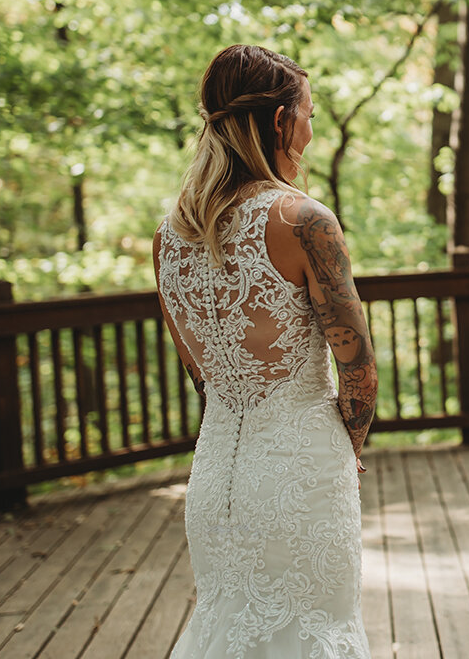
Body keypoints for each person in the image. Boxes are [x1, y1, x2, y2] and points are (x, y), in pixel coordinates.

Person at [153, 44, 377, 659]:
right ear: (280, 121)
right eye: (307, 110)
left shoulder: (170, 235)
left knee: (227, 629)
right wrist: (346, 448)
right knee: (312, 633)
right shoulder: (304, 219)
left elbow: (201, 372)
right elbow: (357, 367)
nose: (312, 124)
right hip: (302, 470)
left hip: (217, 470)